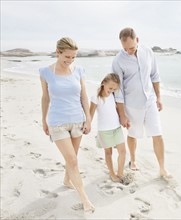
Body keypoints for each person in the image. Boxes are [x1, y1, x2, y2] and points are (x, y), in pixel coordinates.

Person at [39, 37, 95, 212]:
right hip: (57, 123)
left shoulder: (79, 71)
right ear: (58, 53)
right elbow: (45, 97)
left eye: (73, 57)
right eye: (67, 57)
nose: (70, 61)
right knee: (72, 160)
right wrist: (43, 119)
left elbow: (84, 97)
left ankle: (66, 180)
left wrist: (88, 118)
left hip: (77, 120)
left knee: (73, 159)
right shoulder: (45, 72)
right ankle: (85, 199)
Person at [112, 27, 171, 178]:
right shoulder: (118, 60)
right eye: (125, 49)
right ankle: (132, 160)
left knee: (158, 133)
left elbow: (155, 75)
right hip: (132, 104)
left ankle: (162, 168)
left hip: (150, 100)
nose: (129, 51)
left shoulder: (148, 52)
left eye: (131, 47)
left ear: (137, 40)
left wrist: (158, 97)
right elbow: (118, 91)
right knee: (133, 134)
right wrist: (122, 114)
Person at [89, 73, 126, 183]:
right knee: (108, 153)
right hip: (104, 130)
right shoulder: (96, 98)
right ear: (103, 83)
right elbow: (90, 114)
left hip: (117, 128)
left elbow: (117, 110)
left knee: (123, 152)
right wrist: (87, 125)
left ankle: (120, 173)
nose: (112, 90)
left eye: (114, 89)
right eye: (110, 88)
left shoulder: (113, 96)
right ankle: (112, 173)